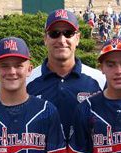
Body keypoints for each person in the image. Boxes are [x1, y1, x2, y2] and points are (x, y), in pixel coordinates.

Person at [27, 9, 106, 138]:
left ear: (78, 38)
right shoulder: (27, 81)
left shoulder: (100, 80)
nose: (62, 40)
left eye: (68, 33)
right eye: (54, 33)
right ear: (45, 39)